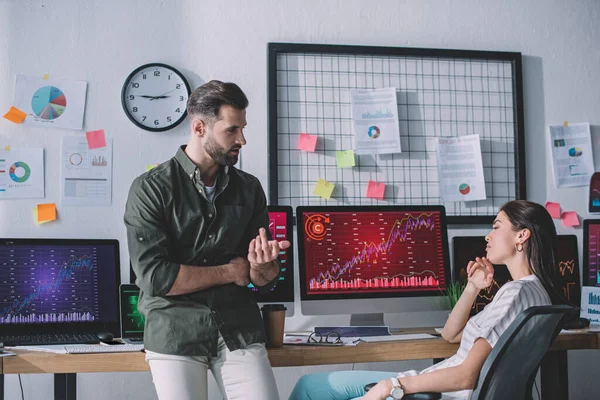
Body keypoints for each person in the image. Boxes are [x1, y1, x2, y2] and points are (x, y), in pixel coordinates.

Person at [289, 200, 566, 400]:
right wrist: (472, 288)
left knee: (309, 388)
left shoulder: (514, 294)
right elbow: (450, 334)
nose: (487, 235)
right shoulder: (533, 292)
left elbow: (466, 376)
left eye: (496, 226)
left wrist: (395, 384)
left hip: (436, 392)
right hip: (430, 387)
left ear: (522, 235)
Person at [124, 80, 290, 400]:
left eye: (242, 129)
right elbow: (157, 278)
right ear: (199, 127)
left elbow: (262, 278)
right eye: (232, 130)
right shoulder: (151, 189)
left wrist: (262, 266)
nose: (242, 139)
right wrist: (232, 272)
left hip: (238, 328)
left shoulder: (249, 188)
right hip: (175, 331)